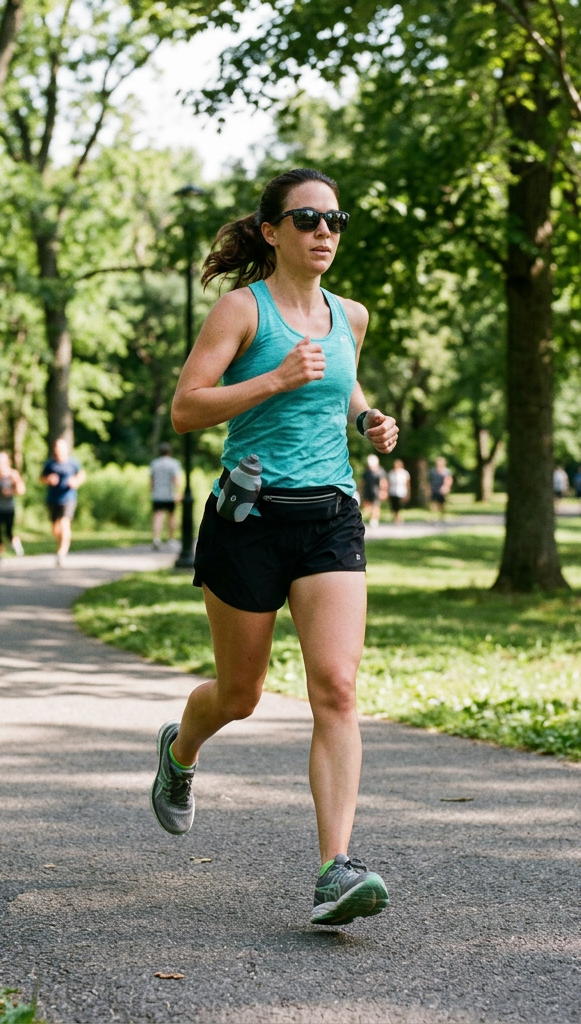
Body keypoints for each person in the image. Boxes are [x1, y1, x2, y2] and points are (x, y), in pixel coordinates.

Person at [150, 168, 399, 928]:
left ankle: (336, 870)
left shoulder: (349, 315)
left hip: (330, 517)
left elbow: (344, 386)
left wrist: (368, 421)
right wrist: (274, 379)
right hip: (250, 518)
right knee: (242, 695)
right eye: (307, 218)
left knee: (337, 687)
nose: (324, 231)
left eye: (335, 219)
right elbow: (187, 409)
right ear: (271, 231)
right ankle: (180, 750)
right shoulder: (241, 310)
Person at [40, 437, 85, 567]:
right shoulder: (50, 464)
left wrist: (76, 481)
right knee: (55, 529)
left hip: (69, 498)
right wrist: (48, 479)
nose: (59, 451)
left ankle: (62, 553)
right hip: (53, 499)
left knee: (65, 524)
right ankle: (61, 546)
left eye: (61, 448)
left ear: (66, 449)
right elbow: (41, 478)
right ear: (55, 449)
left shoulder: (73, 463)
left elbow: (81, 474)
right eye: (57, 448)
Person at [0, 452, 25, 565]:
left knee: (8, 532)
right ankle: (0, 556)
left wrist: (10, 491)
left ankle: (15, 542)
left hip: (9, 508)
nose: (0, 464)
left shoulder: (13, 475)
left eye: (3, 462)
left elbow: (21, 490)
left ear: (8, 462)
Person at [150, 442, 183, 550]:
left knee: (158, 516)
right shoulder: (174, 463)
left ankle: (156, 539)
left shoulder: (154, 464)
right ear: (170, 452)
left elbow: (151, 480)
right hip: (170, 494)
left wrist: (151, 491)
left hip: (157, 494)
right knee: (172, 516)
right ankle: (171, 539)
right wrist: (179, 492)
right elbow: (176, 480)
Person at [361, 453, 386, 527]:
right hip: (367, 490)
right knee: (368, 506)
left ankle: (375, 519)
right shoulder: (367, 471)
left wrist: (383, 491)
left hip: (376, 491)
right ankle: (372, 518)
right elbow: (363, 482)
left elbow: (383, 482)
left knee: (376, 505)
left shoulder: (380, 471)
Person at [387, 459, 410, 524]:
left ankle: (399, 517)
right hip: (393, 491)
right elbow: (389, 483)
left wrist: (408, 492)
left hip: (401, 491)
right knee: (394, 505)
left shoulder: (404, 473)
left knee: (399, 506)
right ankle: (395, 518)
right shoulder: (391, 473)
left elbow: (407, 484)